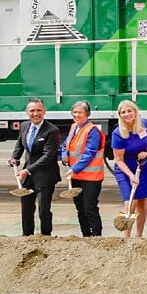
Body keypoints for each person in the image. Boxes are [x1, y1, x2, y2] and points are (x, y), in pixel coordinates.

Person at [8, 98, 61, 236]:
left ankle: (45, 237)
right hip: (27, 175)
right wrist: (15, 158)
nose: (35, 113)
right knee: (26, 208)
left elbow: (48, 156)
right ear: (27, 112)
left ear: (44, 112)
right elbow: (20, 144)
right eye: (32, 110)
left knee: (43, 210)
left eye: (39, 110)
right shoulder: (25, 126)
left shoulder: (52, 130)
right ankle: (27, 237)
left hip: (45, 175)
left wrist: (27, 170)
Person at [112, 101, 147, 238]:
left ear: (135, 111)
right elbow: (118, 160)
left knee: (142, 201)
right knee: (130, 202)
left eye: (129, 111)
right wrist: (131, 175)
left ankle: (139, 235)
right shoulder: (118, 133)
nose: (127, 114)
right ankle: (126, 237)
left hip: (143, 166)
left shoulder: (144, 124)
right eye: (123, 112)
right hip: (125, 169)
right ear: (119, 115)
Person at [61, 100, 105, 237]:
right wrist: (64, 155)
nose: (76, 115)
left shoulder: (93, 131)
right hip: (76, 176)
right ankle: (86, 236)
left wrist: (75, 168)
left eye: (80, 112)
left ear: (87, 114)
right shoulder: (74, 127)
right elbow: (65, 144)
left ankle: (96, 236)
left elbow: (89, 153)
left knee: (89, 208)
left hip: (91, 178)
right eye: (74, 112)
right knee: (80, 209)